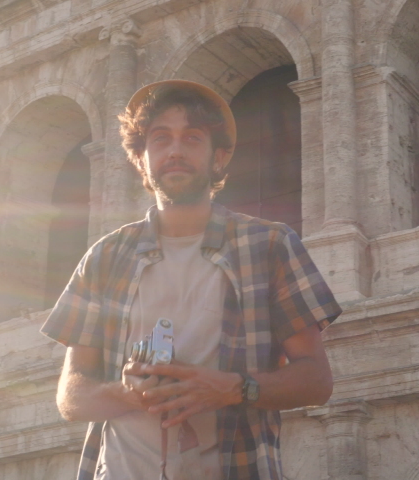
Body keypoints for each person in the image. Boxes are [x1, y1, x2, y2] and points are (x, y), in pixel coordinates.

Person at [40, 80, 341, 480]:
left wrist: (231, 388)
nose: (176, 151)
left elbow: (317, 380)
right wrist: (128, 394)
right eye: (161, 139)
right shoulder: (105, 256)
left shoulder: (271, 245)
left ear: (219, 158)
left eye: (192, 138)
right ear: (140, 159)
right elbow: (70, 396)